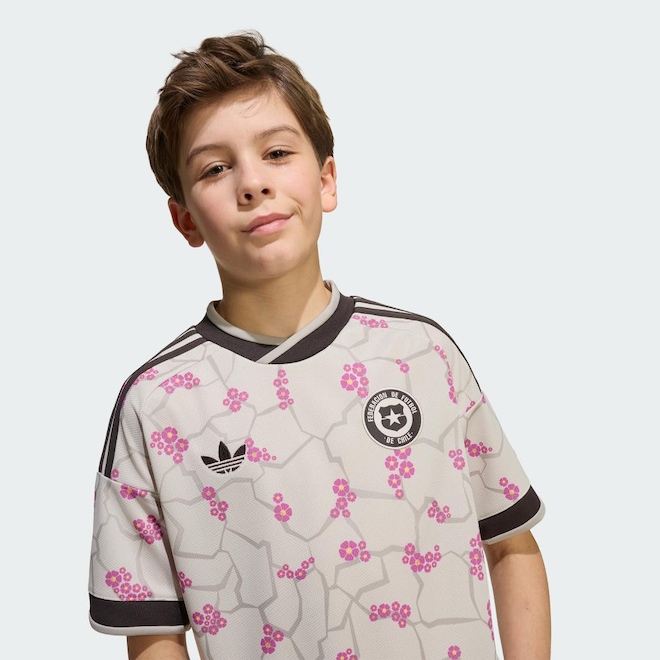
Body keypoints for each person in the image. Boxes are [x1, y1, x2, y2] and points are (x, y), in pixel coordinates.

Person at [88, 30, 551, 660]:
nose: (252, 183)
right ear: (186, 219)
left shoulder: (422, 355)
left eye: (277, 152)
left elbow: (511, 545)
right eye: (216, 168)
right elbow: (153, 633)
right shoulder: (157, 405)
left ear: (327, 180)